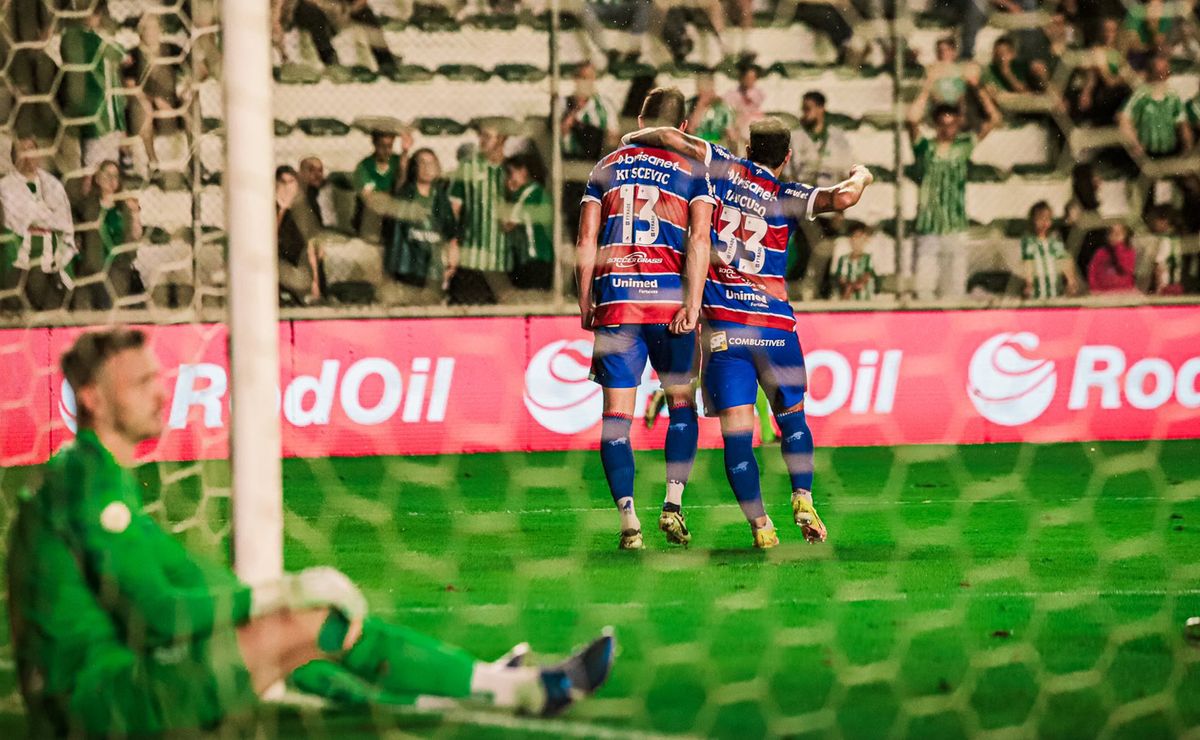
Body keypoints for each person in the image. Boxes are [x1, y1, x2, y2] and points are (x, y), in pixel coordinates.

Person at [6, 327, 614, 736]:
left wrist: (266, 604)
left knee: (293, 636)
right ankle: (521, 689)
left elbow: (187, 583)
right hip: (103, 707)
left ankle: (466, 685)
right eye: (140, 383)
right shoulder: (88, 488)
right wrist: (282, 594)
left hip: (95, 691)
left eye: (157, 376)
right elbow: (162, 613)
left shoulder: (86, 476)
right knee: (310, 622)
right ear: (91, 397)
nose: (161, 392)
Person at [623, 118, 874, 548]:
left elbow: (668, 136)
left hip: (726, 332)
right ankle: (803, 497)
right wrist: (862, 175)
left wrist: (631, 139)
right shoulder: (790, 194)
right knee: (792, 418)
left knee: (737, 435)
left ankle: (761, 527)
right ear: (788, 157)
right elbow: (845, 197)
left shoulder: (722, 165)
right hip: (775, 329)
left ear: (747, 145)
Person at [576, 87, 708, 550]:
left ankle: (629, 521)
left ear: (640, 118)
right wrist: (693, 303)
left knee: (616, 418)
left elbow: (587, 240)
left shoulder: (605, 166)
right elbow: (697, 241)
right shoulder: (693, 170)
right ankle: (672, 504)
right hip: (670, 305)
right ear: (684, 129)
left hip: (618, 303)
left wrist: (584, 299)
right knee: (682, 407)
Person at [904, 84, 1002, 300]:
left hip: (955, 226)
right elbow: (911, 119)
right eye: (943, 124)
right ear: (937, 125)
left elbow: (994, 119)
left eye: (952, 124)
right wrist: (928, 85)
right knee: (924, 289)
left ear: (958, 124)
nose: (948, 129)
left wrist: (977, 87)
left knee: (955, 289)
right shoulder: (925, 147)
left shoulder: (964, 145)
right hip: (928, 226)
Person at [0, 138, 76, 311]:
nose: (28, 155)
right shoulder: (5, 186)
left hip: (53, 250)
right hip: (22, 252)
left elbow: (62, 220)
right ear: (14, 157)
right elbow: (16, 220)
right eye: (23, 150)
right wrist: (45, 213)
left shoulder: (53, 184)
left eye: (31, 149)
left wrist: (37, 216)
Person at [447, 120, 511, 305]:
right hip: (473, 259)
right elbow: (454, 209)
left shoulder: (512, 169)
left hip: (503, 260)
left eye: (487, 136)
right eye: (480, 136)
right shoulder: (468, 167)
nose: (481, 141)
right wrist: (453, 243)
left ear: (502, 139)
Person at [385, 148, 459, 294]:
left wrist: (452, 260)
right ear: (414, 167)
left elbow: (451, 231)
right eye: (422, 163)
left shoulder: (440, 197)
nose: (427, 167)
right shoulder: (405, 194)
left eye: (431, 163)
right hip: (408, 265)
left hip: (433, 266)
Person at [73, 159, 144, 310]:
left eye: (115, 176)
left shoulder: (125, 206)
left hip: (117, 268)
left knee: (111, 301)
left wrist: (136, 213)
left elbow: (136, 236)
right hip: (92, 267)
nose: (111, 180)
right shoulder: (90, 204)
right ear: (97, 179)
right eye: (106, 175)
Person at [1118, 54, 1193, 161]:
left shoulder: (1172, 96)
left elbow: (1183, 123)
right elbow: (1123, 119)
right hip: (1147, 155)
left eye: (1165, 71)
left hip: (1170, 154)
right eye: (1159, 71)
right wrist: (1135, 144)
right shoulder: (1141, 95)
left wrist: (1187, 148)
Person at [503, 153, 553, 292]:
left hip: (535, 257)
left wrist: (511, 193)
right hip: (538, 257)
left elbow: (508, 223)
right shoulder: (536, 191)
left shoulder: (529, 192)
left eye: (510, 173)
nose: (508, 179)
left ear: (523, 171)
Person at [785, 91, 855, 189]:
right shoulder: (795, 137)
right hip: (804, 191)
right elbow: (788, 172)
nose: (804, 113)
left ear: (820, 108)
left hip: (830, 189)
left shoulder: (837, 137)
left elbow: (846, 170)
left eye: (807, 109)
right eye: (803, 109)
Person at [353, 130, 411, 244]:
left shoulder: (399, 161)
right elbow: (368, 197)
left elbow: (405, 183)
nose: (386, 150)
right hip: (373, 216)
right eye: (382, 146)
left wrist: (405, 152)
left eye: (389, 146)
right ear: (374, 144)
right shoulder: (365, 165)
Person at [276, 165, 323, 304]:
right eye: (282, 182)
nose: (287, 187)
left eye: (291, 182)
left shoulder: (303, 207)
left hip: (299, 257)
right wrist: (282, 209)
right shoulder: (271, 206)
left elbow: (310, 246)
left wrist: (315, 281)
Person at [1021, 201, 1079, 299]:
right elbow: (1028, 262)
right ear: (1033, 220)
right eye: (1040, 219)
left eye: (1047, 218)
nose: (1044, 222)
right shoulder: (1029, 240)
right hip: (1037, 290)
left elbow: (1064, 259)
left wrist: (1071, 280)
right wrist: (1029, 283)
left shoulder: (1054, 239)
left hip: (1055, 290)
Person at [686, 72, 738, 147]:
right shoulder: (690, 105)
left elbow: (732, 136)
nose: (712, 93)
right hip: (698, 148)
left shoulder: (722, 107)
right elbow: (690, 130)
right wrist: (700, 107)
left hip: (717, 149)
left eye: (710, 90)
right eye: (704, 91)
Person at [1087, 222, 1138, 293]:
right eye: (1111, 232)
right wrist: (1094, 288)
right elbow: (1092, 272)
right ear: (1107, 235)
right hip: (1103, 292)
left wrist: (1118, 248)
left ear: (1126, 236)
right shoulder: (1100, 252)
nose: (1115, 236)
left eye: (1119, 233)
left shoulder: (1129, 252)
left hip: (1124, 292)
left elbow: (1125, 267)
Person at [723, 62, 765, 148]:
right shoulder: (732, 94)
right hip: (736, 125)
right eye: (748, 78)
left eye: (753, 78)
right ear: (742, 78)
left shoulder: (758, 93)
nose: (750, 81)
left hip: (749, 126)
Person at [834, 223, 877, 301]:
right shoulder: (843, 259)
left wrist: (851, 287)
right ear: (850, 240)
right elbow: (842, 278)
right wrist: (847, 287)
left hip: (865, 300)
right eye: (855, 237)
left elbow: (866, 277)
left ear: (865, 240)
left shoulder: (868, 258)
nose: (858, 241)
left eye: (861, 238)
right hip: (848, 299)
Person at [1147, 206, 1182, 295]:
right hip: (1177, 284)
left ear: (1164, 221)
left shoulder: (1164, 241)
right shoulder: (1176, 239)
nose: (1153, 224)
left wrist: (1158, 289)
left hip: (1165, 286)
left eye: (1155, 221)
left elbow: (1159, 266)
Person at [298, 156, 337, 229]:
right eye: (311, 170)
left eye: (320, 170)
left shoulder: (329, 189)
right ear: (301, 172)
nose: (317, 174)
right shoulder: (295, 193)